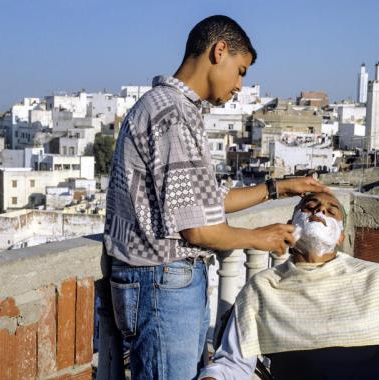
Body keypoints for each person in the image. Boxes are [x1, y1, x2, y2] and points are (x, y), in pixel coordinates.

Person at [103, 15, 332, 380]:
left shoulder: (173, 109)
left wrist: (279, 188)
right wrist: (261, 237)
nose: (240, 85)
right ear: (219, 51)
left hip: (164, 284)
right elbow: (197, 229)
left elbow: (203, 200)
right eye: (240, 71)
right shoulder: (173, 114)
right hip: (161, 284)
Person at [199, 192, 379, 380]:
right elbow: (234, 362)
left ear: (341, 236)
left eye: (330, 210)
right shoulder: (263, 288)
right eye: (310, 208)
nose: (319, 212)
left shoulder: (374, 278)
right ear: (291, 225)